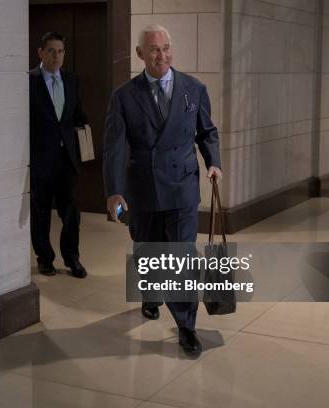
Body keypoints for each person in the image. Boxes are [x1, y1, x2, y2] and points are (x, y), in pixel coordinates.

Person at [102, 24, 223, 355]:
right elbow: (115, 148)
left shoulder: (194, 89)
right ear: (140, 54)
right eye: (154, 49)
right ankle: (151, 293)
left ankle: (186, 325)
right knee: (146, 249)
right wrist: (114, 192)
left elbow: (207, 131)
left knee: (182, 255)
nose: (162, 55)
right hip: (141, 189)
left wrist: (214, 162)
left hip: (183, 187)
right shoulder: (124, 96)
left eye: (166, 47)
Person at [29, 32, 88, 279]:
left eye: (61, 51)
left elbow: (76, 114)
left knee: (72, 211)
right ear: (40, 52)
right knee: (41, 211)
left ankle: (72, 258)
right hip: (42, 158)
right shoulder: (29, 81)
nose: (57, 56)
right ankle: (44, 258)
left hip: (67, 160)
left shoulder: (71, 79)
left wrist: (84, 129)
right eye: (51, 50)